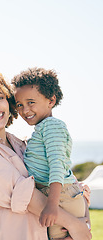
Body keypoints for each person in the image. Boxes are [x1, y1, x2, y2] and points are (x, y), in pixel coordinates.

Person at [0, 71, 91, 240]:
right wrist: (75, 225)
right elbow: (25, 196)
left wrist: (83, 221)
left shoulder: (20, 144)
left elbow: (62, 173)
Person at [12, 67, 88, 239]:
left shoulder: (51, 126)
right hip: (55, 197)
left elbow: (57, 165)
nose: (25, 110)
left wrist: (52, 205)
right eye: (19, 105)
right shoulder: (42, 129)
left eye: (31, 102)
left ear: (51, 100)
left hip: (59, 198)